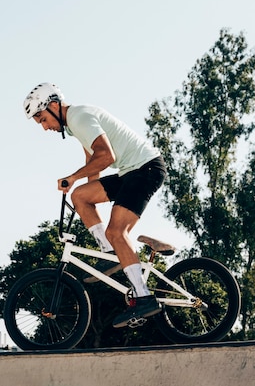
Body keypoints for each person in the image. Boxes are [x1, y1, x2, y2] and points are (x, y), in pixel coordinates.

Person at [23, 82, 167, 328]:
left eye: (43, 119)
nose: (45, 127)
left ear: (54, 105)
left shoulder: (78, 116)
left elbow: (106, 156)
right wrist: (89, 197)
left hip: (145, 169)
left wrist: (73, 177)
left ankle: (143, 297)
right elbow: (93, 160)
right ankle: (109, 252)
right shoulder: (74, 125)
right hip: (130, 172)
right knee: (79, 196)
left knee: (116, 231)